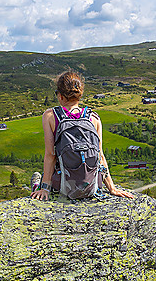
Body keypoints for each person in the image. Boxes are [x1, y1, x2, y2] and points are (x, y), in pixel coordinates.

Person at [30, 71, 134, 201]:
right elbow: (100, 155)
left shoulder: (50, 116)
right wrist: (112, 188)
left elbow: (51, 154)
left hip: (63, 187)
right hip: (92, 187)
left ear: (60, 96)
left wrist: (45, 188)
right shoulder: (94, 118)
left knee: (38, 184)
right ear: (80, 94)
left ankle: (36, 184)